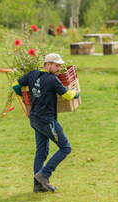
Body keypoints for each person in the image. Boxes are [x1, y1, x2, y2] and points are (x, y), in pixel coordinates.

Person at [12, 53, 80, 193]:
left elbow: (15, 86)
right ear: (47, 64)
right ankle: (44, 174)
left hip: (35, 119)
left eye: (60, 66)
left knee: (41, 152)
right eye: (56, 65)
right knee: (65, 148)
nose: (59, 68)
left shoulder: (32, 74)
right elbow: (67, 95)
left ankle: (38, 186)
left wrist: (27, 99)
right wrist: (75, 92)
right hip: (47, 121)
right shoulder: (52, 80)